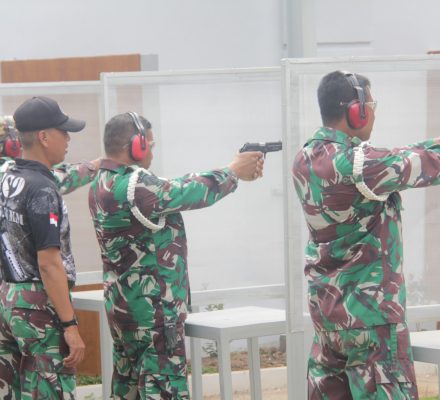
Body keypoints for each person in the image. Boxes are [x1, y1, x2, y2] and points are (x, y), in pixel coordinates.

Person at [88, 112, 264, 399]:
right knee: (163, 389)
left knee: (128, 390)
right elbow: (187, 192)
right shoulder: (136, 187)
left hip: (125, 308)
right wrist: (233, 171)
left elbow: (172, 185)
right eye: (150, 145)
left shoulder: (105, 182)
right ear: (136, 146)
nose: (152, 152)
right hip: (154, 314)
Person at [292, 70, 440, 399]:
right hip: (371, 321)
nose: (373, 113)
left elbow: (400, 154)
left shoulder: (304, 158)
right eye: (370, 106)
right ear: (355, 111)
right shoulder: (360, 165)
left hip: (328, 318)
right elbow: (423, 162)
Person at [0, 96, 92, 399]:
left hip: (8, 299)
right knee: (51, 390)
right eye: (63, 131)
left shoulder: (8, 179)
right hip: (38, 306)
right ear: (43, 136)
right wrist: (70, 325)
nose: (67, 139)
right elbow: (49, 263)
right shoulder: (42, 188)